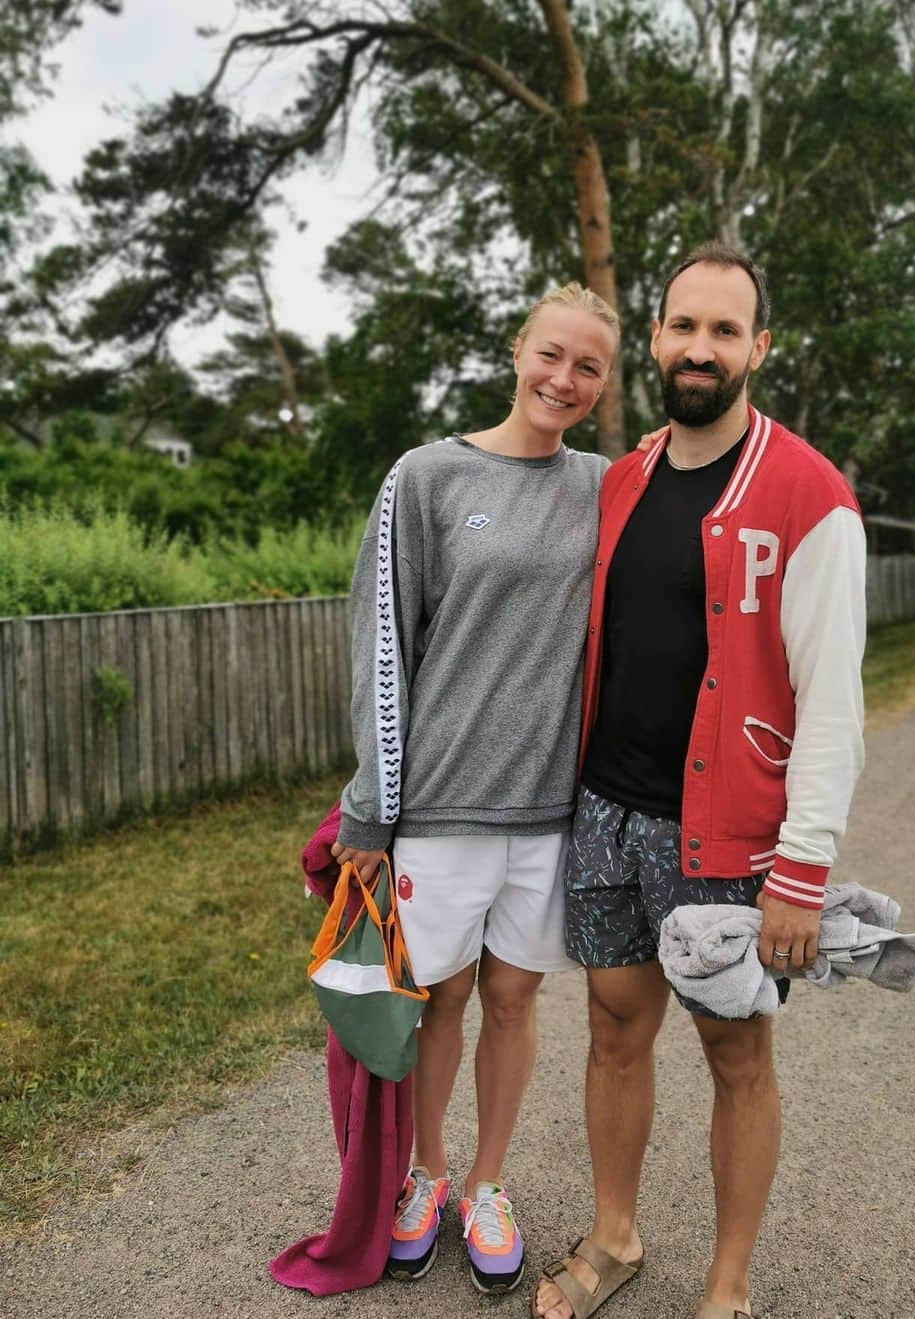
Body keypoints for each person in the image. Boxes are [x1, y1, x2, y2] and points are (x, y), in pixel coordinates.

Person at [533, 243, 866, 1319]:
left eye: (726, 330)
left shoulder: (812, 496)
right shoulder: (624, 478)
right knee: (614, 1032)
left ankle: (727, 1286)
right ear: (658, 337)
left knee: (737, 1056)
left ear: (758, 348)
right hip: (607, 814)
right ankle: (616, 1235)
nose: (701, 347)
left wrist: (802, 871)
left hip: (724, 838)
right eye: (684, 326)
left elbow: (835, 700)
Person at [330, 282, 619, 1296]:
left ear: (604, 381)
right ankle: (428, 1174)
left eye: (589, 365)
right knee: (441, 998)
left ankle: (488, 1184)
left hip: (551, 809)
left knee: (513, 995)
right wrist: (371, 805)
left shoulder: (608, 484)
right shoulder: (427, 478)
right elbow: (382, 647)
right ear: (517, 349)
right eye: (552, 354)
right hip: (443, 805)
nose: (564, 378)